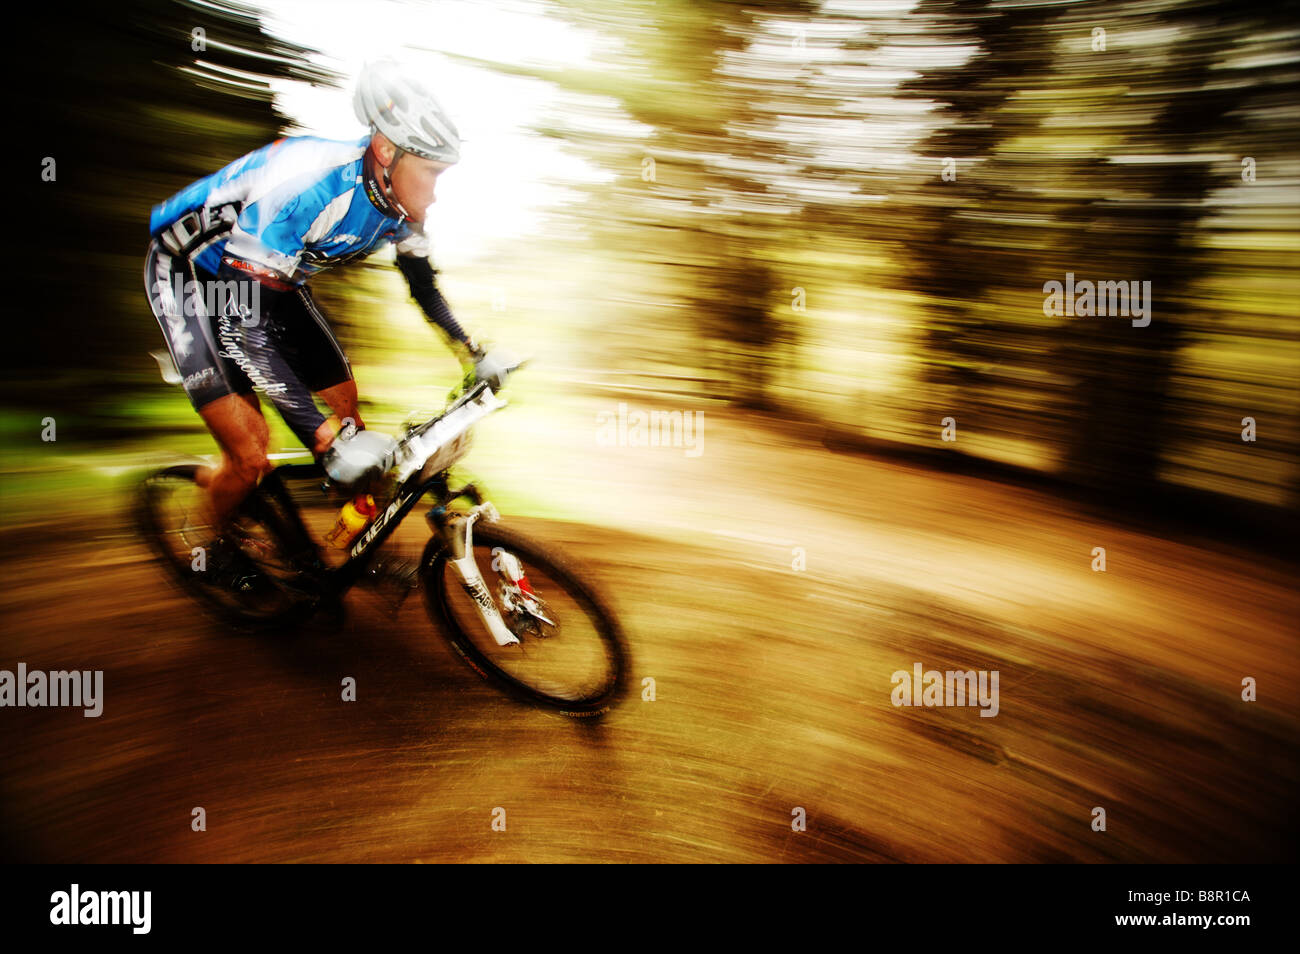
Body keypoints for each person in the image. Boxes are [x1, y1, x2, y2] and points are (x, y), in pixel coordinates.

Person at [144, 59, 513, 580]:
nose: (435, 192)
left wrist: (471, 349)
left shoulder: (397, 204)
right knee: (250, 454)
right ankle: (216, 544)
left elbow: (423, 284)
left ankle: (350, 540)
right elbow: (239, 325)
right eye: (430, 172)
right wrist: (325, 439)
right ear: (386, 151)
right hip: (190, 275)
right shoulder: (309, 190)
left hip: (268, 279)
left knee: (348, 416)